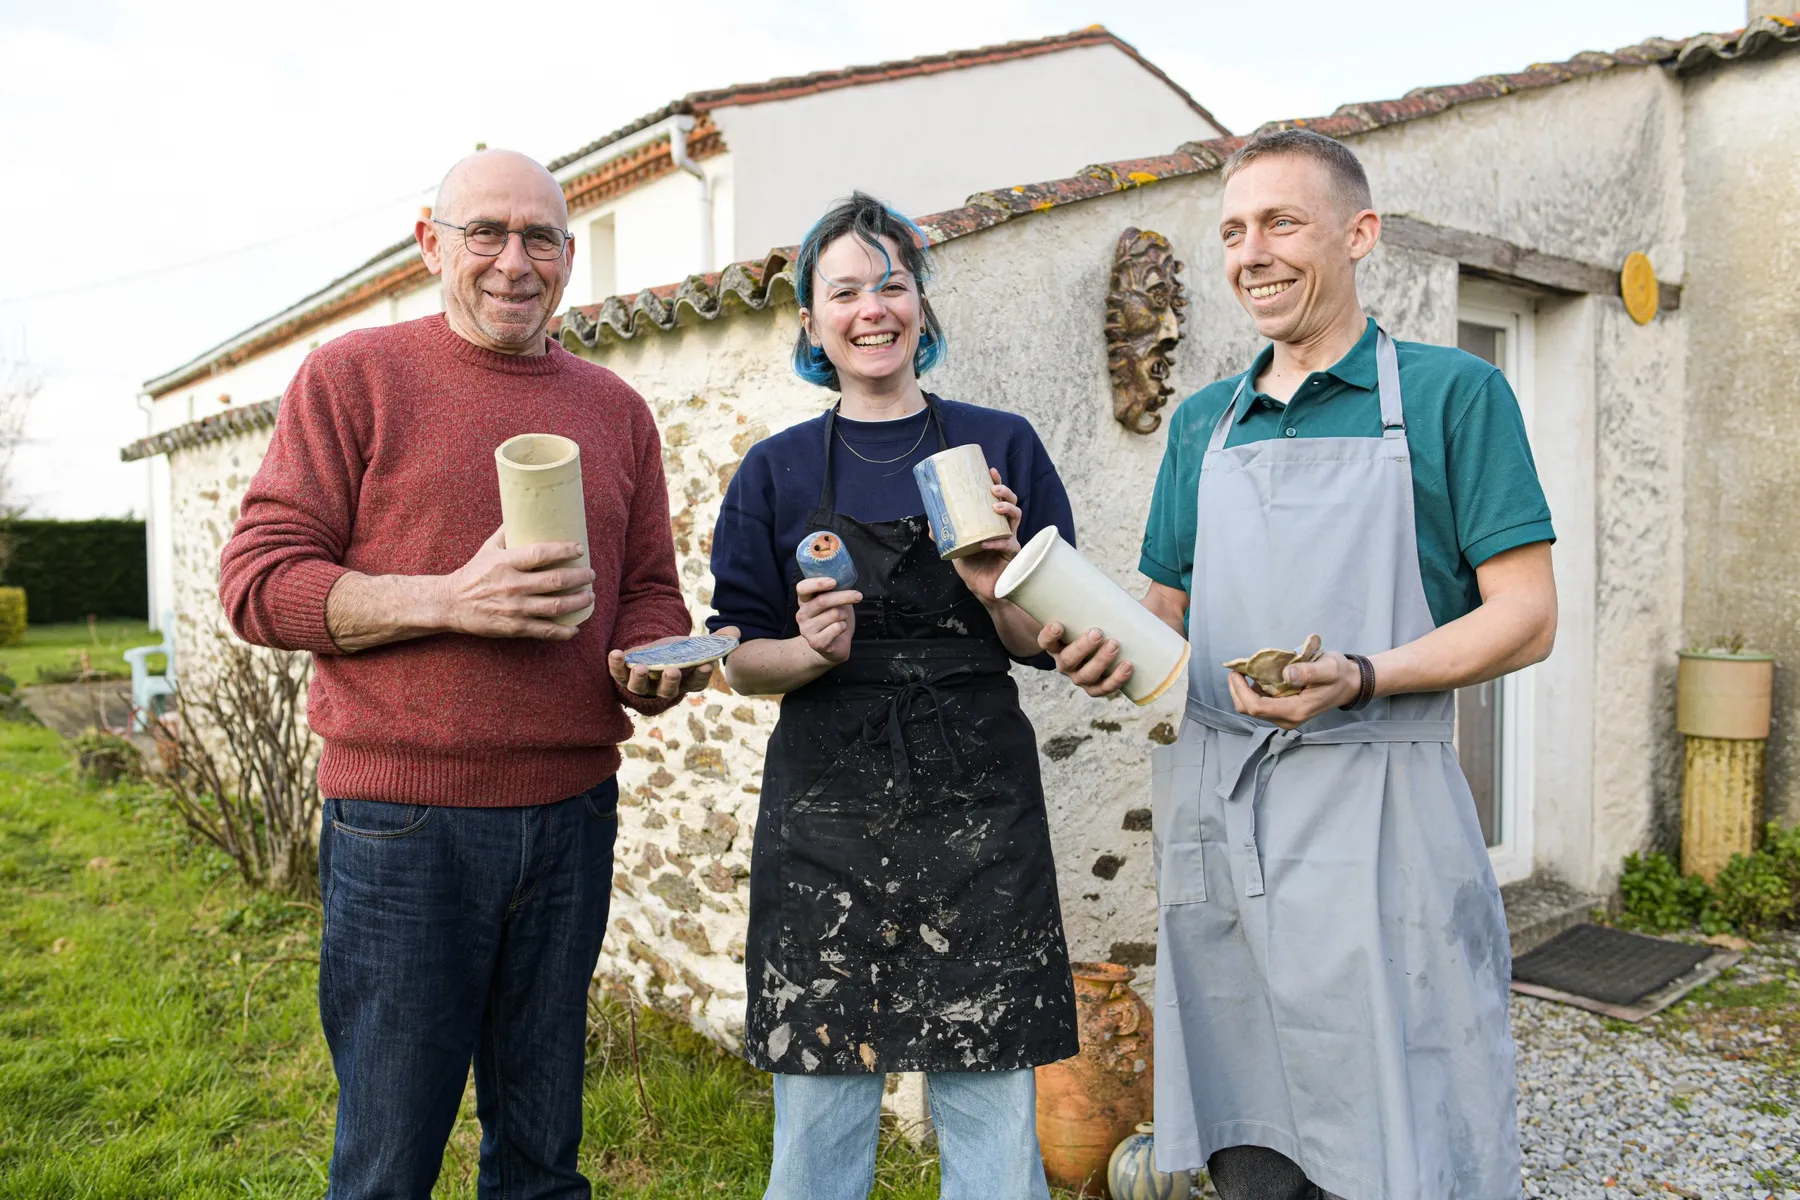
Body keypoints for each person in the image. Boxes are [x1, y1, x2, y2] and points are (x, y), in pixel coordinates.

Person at [1042, 129, 1557, 1200]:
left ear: (1359, 234)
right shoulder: (1203, 424)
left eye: (1281, 222)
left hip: (1382, 823)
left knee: (1404, 1127)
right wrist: (1097, 642)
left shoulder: (1455, 395)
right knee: (1255, 1136)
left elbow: (1527, 616)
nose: (1252, 253)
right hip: (1225, 816)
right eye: (1234, 231)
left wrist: (1362, 675)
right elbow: (1166, 616)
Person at [218, 149, 721, 1199]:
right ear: (429, 243)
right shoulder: (353, 376)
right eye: (485, 232)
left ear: (569, 254)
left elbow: (648, 590)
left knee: (542, 1159)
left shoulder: (617, 409)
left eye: (540, 237)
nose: (513, 261)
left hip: (573, 816)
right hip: (403, 824)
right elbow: (259, 584)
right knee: (388, 1159)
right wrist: (449, 598)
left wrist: (651, 659)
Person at [706, 192, 1078, 1200]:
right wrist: (808, 651)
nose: (871, 308)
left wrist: (998, 584)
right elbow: (736, 658)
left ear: (921, 304)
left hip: (979, 806)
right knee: (822, 1103)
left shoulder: (1002, 448)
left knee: (991, 1092)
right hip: (826, 810)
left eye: (892, 284)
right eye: (844, 292)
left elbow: (1047, 643)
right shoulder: (775, 471)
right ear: (811, 322)